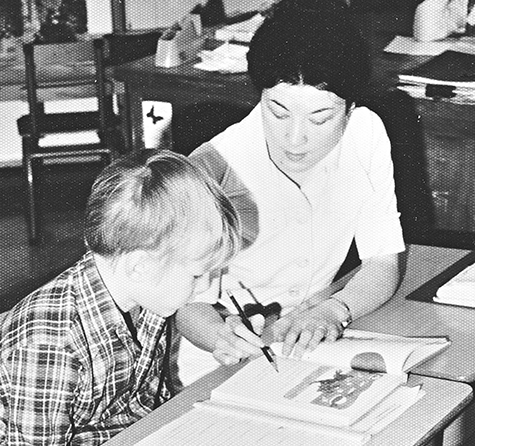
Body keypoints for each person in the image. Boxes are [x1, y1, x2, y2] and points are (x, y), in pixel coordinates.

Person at [0, 149, 260, 446]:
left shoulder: (147, 296)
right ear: (139, 267)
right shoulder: (47, 346)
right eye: (198, 274)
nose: (205, 288)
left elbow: (146, 406)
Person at [173, 0, 407, 387]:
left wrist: (335, 310)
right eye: (278, 112)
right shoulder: (212, 168)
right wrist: (219, 336)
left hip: (317, 339)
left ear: (350, 108)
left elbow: (382, 261)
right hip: (227, 359)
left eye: (320, 118)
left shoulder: (365, 135)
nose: (295, 138)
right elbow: (188, 304)